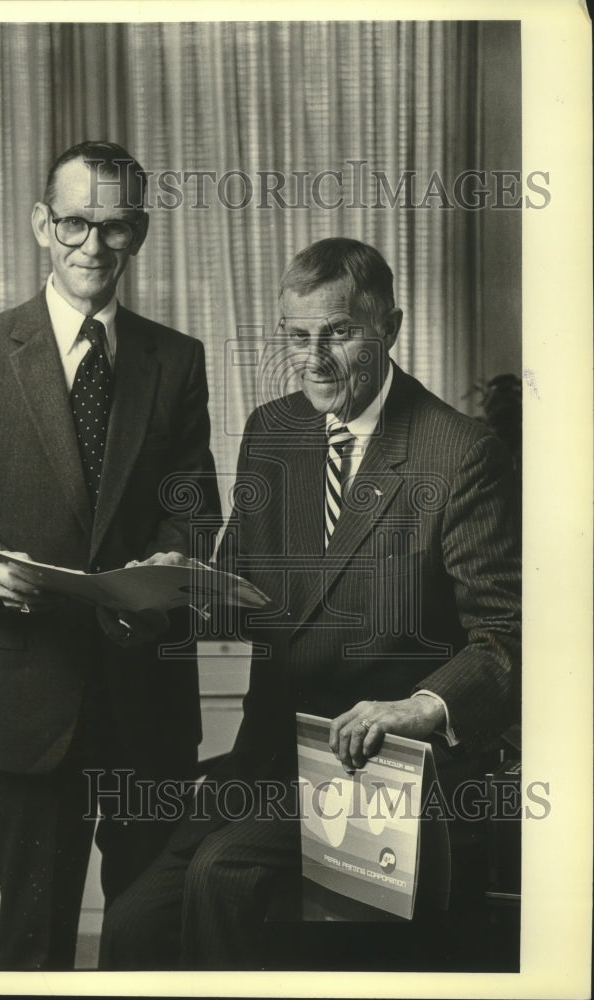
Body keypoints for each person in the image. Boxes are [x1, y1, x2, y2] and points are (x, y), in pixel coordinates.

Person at [99, 237, 521, 970]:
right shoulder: (274, 431)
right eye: (296, 337)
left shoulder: (458, 452)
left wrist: (416, 707)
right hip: (268, 766)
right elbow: (241, 592)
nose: (314, 360)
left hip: (385, 776)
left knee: (221, 877)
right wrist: (169, 592)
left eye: (338, 333)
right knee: (135, 922)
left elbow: (505, 640)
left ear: (389, 328)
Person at [0, 140, 220, 970]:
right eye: (76, 222)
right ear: (42, 224)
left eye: (114, 227)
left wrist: (158, 574)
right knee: (34, 940)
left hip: (145, 697)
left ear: (139, 234)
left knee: (148, 934)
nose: (92, 245)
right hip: (27, 700)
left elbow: (195, 515)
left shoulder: (176, 359)